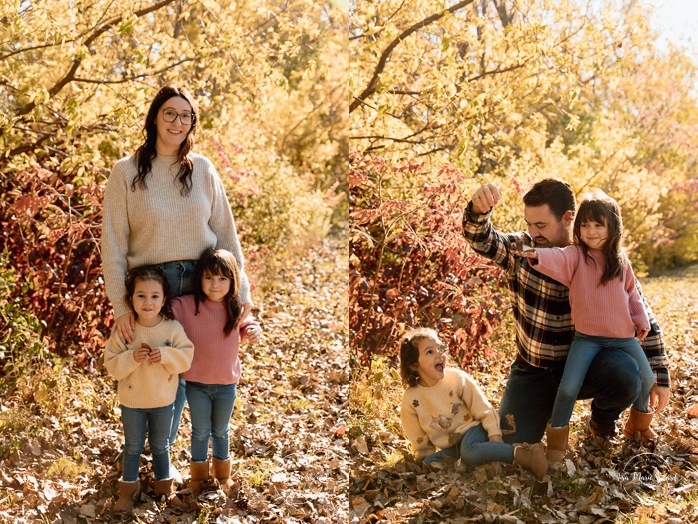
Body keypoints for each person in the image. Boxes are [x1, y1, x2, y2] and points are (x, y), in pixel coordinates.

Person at [101, 83, 254, 463]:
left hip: (206, 286)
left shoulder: (202, 169)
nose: (177, 121)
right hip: (154, 288)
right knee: (161, 374)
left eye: (185, 116)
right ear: (155, 117)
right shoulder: (125, 172)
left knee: (197, 375)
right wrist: (121, 305)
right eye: (170, 113)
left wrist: (243, 295)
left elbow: (225, 234)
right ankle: (156, 459)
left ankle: (182, 461)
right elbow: (113, 244)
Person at [462, 179, 670, 451]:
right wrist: (478, 212)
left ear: (568, 218)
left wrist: (660, 376)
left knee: (626, 371)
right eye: (529, 224)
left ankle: (601, 421)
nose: (533, 232)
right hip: (533, 371)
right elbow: (483, 239)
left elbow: (641, 314)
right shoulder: (523, 250)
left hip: (587, 365)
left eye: (541, 225)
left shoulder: (603, 258)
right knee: (512, 441)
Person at [512, 190, 656, 468]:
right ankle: (556, 446)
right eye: (585, 225)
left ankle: (636, 428)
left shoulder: (620, 260)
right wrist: (530, 251)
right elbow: (554, 256)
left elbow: (632, 294)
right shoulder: (576, 256)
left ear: (612, 227)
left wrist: (641, 319)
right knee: (568, 388)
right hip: (587, 339)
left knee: (647, 380)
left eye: (598, 225)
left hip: (623, 338)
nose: (591, 231)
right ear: (577, 227)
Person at [399, 328, 548, 481]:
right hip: (454, 446)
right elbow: (417, 436)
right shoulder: (411, 398)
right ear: (413, 365)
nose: (439, 354)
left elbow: (484, 409)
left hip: (474, 430)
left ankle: (527, 455)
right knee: (431, 462)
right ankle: (485, 458)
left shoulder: (456, 379)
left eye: (440, 348)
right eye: (430, 352)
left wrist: (494, 436)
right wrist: (424, 459)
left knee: (469, 451)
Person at [171, 248, 263, 496]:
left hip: (225, 385)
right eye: (209, 277)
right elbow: (162, 312)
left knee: (221, 431)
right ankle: (198, 478)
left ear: (233, 281)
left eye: (223, 278)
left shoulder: (234, 308)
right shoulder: (186, 305)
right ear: (199, 278)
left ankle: (223, 476)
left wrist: (253, 329)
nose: (215, 284)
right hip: (196, 383)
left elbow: (248, 325)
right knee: (200, 431)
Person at [103, 266, 194, 513]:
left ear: (164, 299)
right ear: (130, 298)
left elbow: (186, 357)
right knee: (132, 446)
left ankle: (165, 489)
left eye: (155, 296)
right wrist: (132, 357)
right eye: (141, 295)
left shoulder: (172, 328)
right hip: (132, 401)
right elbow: (111, 364)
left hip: (163, 400)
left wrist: (165, 355)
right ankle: (126, 492)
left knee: (160, 445)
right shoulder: (125, 329)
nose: (148, 302)